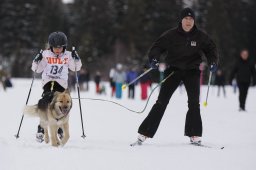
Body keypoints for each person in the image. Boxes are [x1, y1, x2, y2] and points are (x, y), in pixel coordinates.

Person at [134, 8, 219, 145]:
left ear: (194, 21)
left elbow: (211, 49)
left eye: (191, 19)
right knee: (161, 101)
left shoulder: (200, 36)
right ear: (181, 20)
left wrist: (213, 61)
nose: (188, 22)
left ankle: (194, 134)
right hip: (174, 70)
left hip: (192, 71)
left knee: (193, 103)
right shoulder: (171, 35)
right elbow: (157, 47)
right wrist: (154, 59)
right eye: (186, 19)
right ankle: (144, 133)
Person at [31, 31, 82, 142]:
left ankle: (59, 128)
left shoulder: (68, 55)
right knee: (45, 104)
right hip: (48, 82)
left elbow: (75, 68)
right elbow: (37, 69)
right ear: (50, 46)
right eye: (55, 48)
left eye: (60, 47)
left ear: (64, 47)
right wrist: (36, 60)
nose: (57, 50)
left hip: (61, 84)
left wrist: (76, 59)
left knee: (60, 107)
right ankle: (41, 128)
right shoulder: (45, 54)